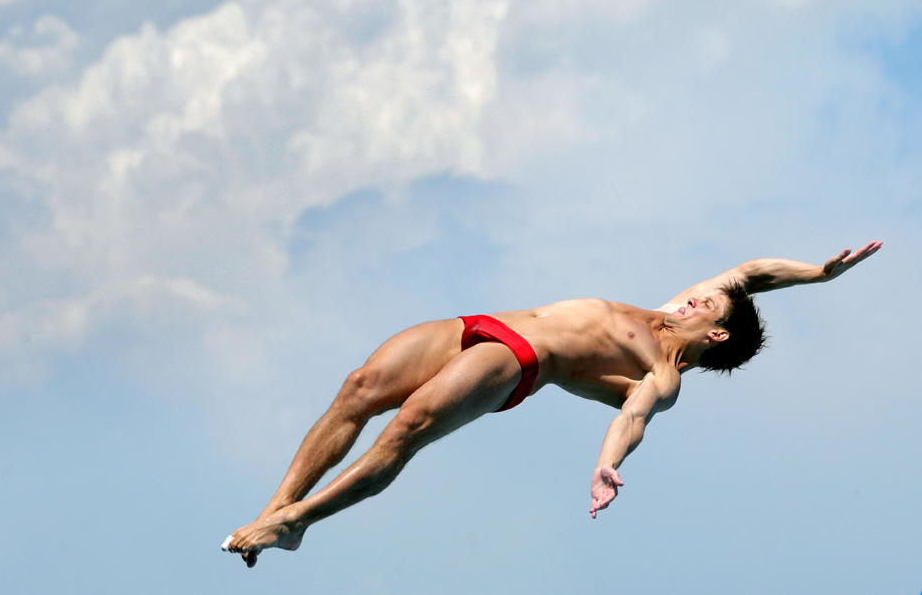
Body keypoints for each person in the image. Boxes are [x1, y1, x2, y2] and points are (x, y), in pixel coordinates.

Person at [221, 241, 881, 567]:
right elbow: (751, 273)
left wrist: (606, 463)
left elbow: (632, 417)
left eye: (709, 305)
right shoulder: (676, 307)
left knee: (408, 427)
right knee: (358, 388)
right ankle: (274, 510)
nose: (700, 294)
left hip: (518, 360)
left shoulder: (661, 373)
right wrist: (820, 275)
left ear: (716, 334)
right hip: (488, 322)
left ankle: (298, 521)